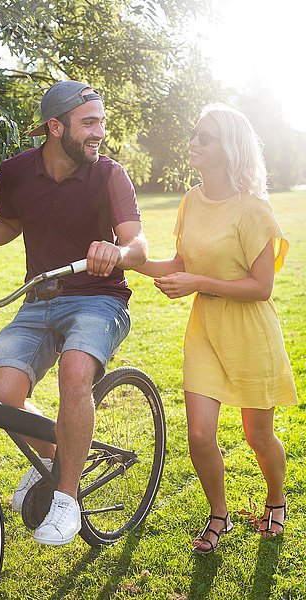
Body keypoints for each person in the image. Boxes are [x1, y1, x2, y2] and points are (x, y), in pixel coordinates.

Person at [0, 80, 147, 546]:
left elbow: (138, 244)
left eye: (101, 122)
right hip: (39, 298)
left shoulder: (109, 174)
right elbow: (10, 224)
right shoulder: (14, 173)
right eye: (89, 122)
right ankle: (58, 460)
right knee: (0, 392)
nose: (99, 132)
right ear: (55, 127)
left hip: (99, 298)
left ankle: (67, 500)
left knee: (76, 372)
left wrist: (116, 251)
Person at [136, 103, 297, 555]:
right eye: (194, 134)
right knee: (200, 434)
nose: (194, 142)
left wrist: (197, 283)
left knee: (257, 436)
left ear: (228, 149)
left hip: (250, 333)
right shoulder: (191, 200)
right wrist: (133, 261)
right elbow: (180, 264)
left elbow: (261, 287)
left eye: (204, 137)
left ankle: (276, 498)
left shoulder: (253, 210)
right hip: (205, 329)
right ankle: (219, 515)